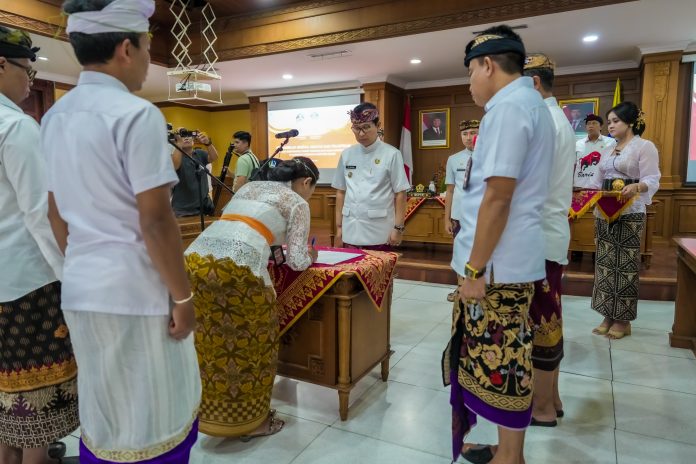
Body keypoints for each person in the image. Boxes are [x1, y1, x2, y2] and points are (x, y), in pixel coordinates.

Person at [42, 1, 201, 462]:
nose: (149, 61)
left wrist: (84, 265)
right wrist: (184, 298)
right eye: (148, 48)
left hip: (82, 287)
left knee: (106, 412)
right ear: (126, 49)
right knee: (155, 416)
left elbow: (54, 213)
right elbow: (155, 220)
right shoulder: (137, 115)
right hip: (138, 290)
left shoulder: (54, 116)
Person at [444, 25, 554, 464]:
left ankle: (512, 458)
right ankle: (508, 450)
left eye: (471, 71)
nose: (470, 82)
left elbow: (498, 196)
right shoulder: (527, 103)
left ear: (488, 64)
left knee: (504, 362)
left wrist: (474, 270)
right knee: (500, 360)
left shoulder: (509, 109)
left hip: (497, 268)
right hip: (503, 262)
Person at [185, 157, 319, 438]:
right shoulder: (297, 203)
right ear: (306, 182)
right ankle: (252, 423)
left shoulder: (247, 188)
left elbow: (245, 226)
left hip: (195, 261)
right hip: (237, 271)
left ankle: (209, 417)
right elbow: (296, 261)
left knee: (211, 344)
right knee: (254, 345)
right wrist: (312, 255)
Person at [0, 26, 79, 464]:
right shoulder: (16, 126)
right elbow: (40, 213)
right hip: (27, 285)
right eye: (26, 70)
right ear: (1, 64)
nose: (30, 81)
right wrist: (72, 277)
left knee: (5, 398)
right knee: (36, 405)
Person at [523, 53, 576, 427]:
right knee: (550, 316)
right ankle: (551, 398)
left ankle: (540, 406)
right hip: (549, 233)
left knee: (540, 320)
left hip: (537, 236)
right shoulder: (558, 119)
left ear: (534, 83)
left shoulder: (543, 123)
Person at [589, 102, 660, 339]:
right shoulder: (608, 149)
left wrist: (637, 186)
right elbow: (597, 180)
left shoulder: (644, 146)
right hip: (604, 212)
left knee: (625, 265)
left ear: (630, 123)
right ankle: (607, 315)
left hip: (630, 211)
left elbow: (653, 178)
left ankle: (623, 320)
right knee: (605, 264)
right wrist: (587, 196)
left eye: (615, 121)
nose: (610, 125)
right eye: (609, 122)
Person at [332, 102, 410, 250]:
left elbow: (400, 193)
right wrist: (339, 227)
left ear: (377, 125)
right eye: (357, 128)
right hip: (350, 227)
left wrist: (398, 228)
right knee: (351, 265)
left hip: (379, 229)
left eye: (366, 127)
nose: (361, 134)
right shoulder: (347, 154)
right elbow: (341, 191)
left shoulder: (392, 154)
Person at [444, 119, 479, 303]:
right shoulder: (453, 159)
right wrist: (447, 218)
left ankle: (478, 289)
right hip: (459, 217)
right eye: (465, 134)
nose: (468, 137)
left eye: (473, 133)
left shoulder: (489, 157)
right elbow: (450, 190)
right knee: (459, 254)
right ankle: (460, 289)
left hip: (481, 216)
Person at [171, 128, 218, 217]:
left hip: (203, 206)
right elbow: (175, 166)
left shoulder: (199, 153)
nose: (186, 138)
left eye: (188, 135)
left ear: (193, 140)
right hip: (183, 209)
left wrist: (208, 143)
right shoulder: (175, 156)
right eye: (182, 136)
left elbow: (214, 157)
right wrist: (179, 143)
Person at [574, 114, 616, 189]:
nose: (591, 126)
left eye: (594, 123)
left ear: (601, 126)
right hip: (579, 185)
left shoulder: (610, 142)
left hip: (601, 186)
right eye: (588, 124)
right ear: (586, 127)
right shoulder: (578, 144)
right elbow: (573, 165)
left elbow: (613, 165)